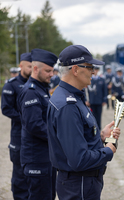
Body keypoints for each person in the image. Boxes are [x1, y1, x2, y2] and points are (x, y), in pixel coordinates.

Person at [47, 45, 120, 200]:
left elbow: (76, 139)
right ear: (75, 70)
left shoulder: (73, 97)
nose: (93, 71)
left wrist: (100, 136)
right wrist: (108, 150)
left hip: (83, 183)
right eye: (89, 67)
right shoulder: (68, 106)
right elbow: (78, 160)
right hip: (79, 184)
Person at [17, 49, 58, 200]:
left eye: (52, 70)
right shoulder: (31, 92)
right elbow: (34, 125)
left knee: (49, 195)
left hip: (46, 156)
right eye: (48, 71)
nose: (51, 74)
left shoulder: (42, 89)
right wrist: (58, 136)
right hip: (36, 159)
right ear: (35, 69)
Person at [1, 53, 32, 199]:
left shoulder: (36, 84)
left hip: (34, 138)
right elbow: (6, 108)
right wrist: (26, 118)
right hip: (18, 135)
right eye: (29, 66)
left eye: (34, 66)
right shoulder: (11, 84)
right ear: (21, 65)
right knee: (20, 175)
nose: (32, 69)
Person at [86, 65, 107, 129]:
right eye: (93, 70)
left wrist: (104, 100)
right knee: (92, 115)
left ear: (98, 71)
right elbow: (86, 91)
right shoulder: (89, 79)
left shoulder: (102, 80)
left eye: (96, 70)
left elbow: (105, 91)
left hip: (99, 101)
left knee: (99, 115)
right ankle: (93, 127)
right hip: (91, 101)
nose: (95, 71)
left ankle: (99, 127)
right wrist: (86, 100)